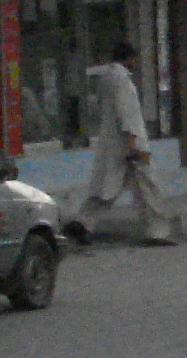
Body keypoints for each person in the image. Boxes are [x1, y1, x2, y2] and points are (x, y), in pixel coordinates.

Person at [66, 41, 171, 247]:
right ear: (130, 58)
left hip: (114, 143)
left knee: (108, 188)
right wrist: (133, 144)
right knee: (148, 187)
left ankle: (82, 222)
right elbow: (127, 113)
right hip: (131, 142)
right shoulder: (121, 80)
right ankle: (156, 232)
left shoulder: (106, 78)